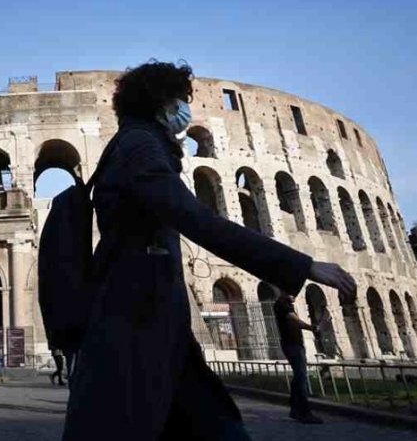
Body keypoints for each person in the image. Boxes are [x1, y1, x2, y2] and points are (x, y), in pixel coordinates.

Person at [62, 61, 357, 441]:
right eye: (182, 100)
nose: (187, 110)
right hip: (134, 319)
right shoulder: (140, 145)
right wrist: (301, 265)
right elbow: (196, 217)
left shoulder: (138, 143)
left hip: (152, 320)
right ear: (162, 103)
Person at [273, 293, 328, 424]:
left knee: (299, 377)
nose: (295, 296)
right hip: (292, 345)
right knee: (302, 378)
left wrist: (312, 327)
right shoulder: (282, 304)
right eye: (293, 294)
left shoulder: (286, 305)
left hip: (295, 344)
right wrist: (312, 328)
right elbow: (294, 320)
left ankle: (295, 409)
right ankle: (304, 412)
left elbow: (295, 322)